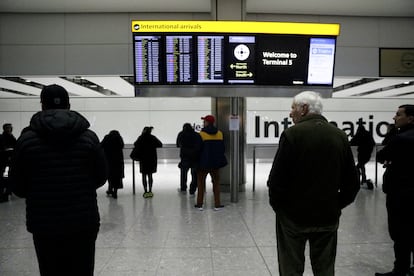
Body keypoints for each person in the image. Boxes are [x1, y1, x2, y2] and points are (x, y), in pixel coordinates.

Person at [9, 84, 108, 276]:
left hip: (44, 223)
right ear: (69, 105)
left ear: (42, 105)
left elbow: (18, 186)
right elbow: (101, 177)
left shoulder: (26, 139)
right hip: (83, 220)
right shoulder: (88, 137)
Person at [267, 91, 360, 276]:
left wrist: (281, 209)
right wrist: (336, 204)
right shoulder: (339, 136)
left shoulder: (292, 134)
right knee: (325, 268)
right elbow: (352, 182)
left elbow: (276, 180)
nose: (290, 113)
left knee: (291, 267)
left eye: (293, 108)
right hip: (327, 216)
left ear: (304, 109)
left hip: (293, 217)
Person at [375, 104, 414, 276]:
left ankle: (400, 269)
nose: (394, 118)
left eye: (398, 114)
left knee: (400, 232)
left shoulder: (401, 138)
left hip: (400, 193)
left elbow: (381, 156)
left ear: (410, 118)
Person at [195, 115, 227, 211]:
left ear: (207, 123)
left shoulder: (201, 135)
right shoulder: (220, 134)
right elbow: (223, 149)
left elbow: (198, 150)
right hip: (215, 164)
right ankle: (217, 204)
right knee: (216, 184)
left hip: (203, 164)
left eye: (204, 121)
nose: (203, 123)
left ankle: (200, 204)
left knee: (201, 184)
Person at [132, 126, 162, 198]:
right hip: (151, 159)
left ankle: (145, 191)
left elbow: (135, 144)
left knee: (144, 175)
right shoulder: (153, 137)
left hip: (143, 159)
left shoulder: (141, 137)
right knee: (150, 175)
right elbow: (160, 144)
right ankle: (150, 190)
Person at [176, 123, 201, 195]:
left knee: (183, 173)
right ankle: (192, 189)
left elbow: (178, 144)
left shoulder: (181, 134)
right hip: (195, 157)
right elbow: (199, 145)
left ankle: (183, 187)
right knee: (194, 174)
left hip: (185, 157)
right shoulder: (196, 135)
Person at [349, 124, 376, 189]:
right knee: (361, 165)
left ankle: (358, 179)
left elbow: (352, 142)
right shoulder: (368, 134)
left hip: (361, 152)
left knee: (359, 166)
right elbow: (373, 143)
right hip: (368, 153)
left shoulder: (359, 134)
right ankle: (362, 179)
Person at [101, 130, 125, 199]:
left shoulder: (107, 138)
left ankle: (110, 189)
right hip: (118, 161)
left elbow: (101, 145)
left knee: (110, 176)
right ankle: (115, 192)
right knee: (117, 177)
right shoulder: (119, 138)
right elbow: (122, 146)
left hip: (109, 160)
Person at [0, 123, 17, 202]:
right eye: (7, 128)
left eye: (10, 128)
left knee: (8, 176)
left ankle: (7, 192)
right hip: (4, 161)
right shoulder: (2, 138)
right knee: (5, 176)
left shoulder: (12, 137)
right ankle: (5, 193)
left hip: (9, 161)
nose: (9, 129)